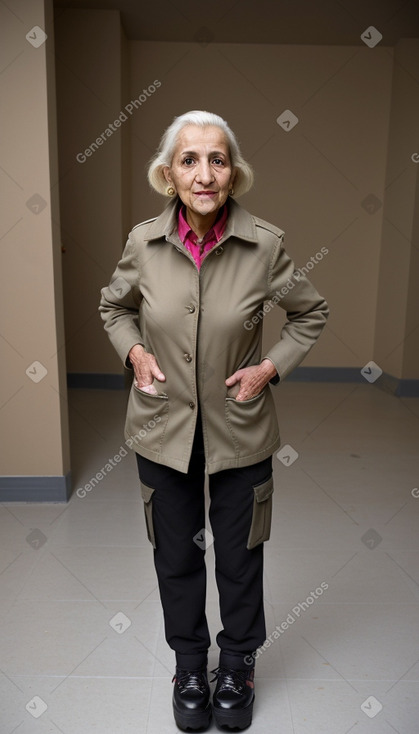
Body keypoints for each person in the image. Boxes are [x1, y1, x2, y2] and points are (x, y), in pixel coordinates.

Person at [99, 110, 329, 731]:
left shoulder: (266, 245)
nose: (205, 174)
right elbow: (113, 307)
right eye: (190, 160)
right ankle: (190, 663)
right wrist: (135, 351)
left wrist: (269, 368)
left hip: (240, 430)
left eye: (218, 160)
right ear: (169, 174)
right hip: (160, 427)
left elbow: (311, 313)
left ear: (234, 174)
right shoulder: (143, 243)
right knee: (175, 554)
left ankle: (237, 664)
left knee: (239, 554)